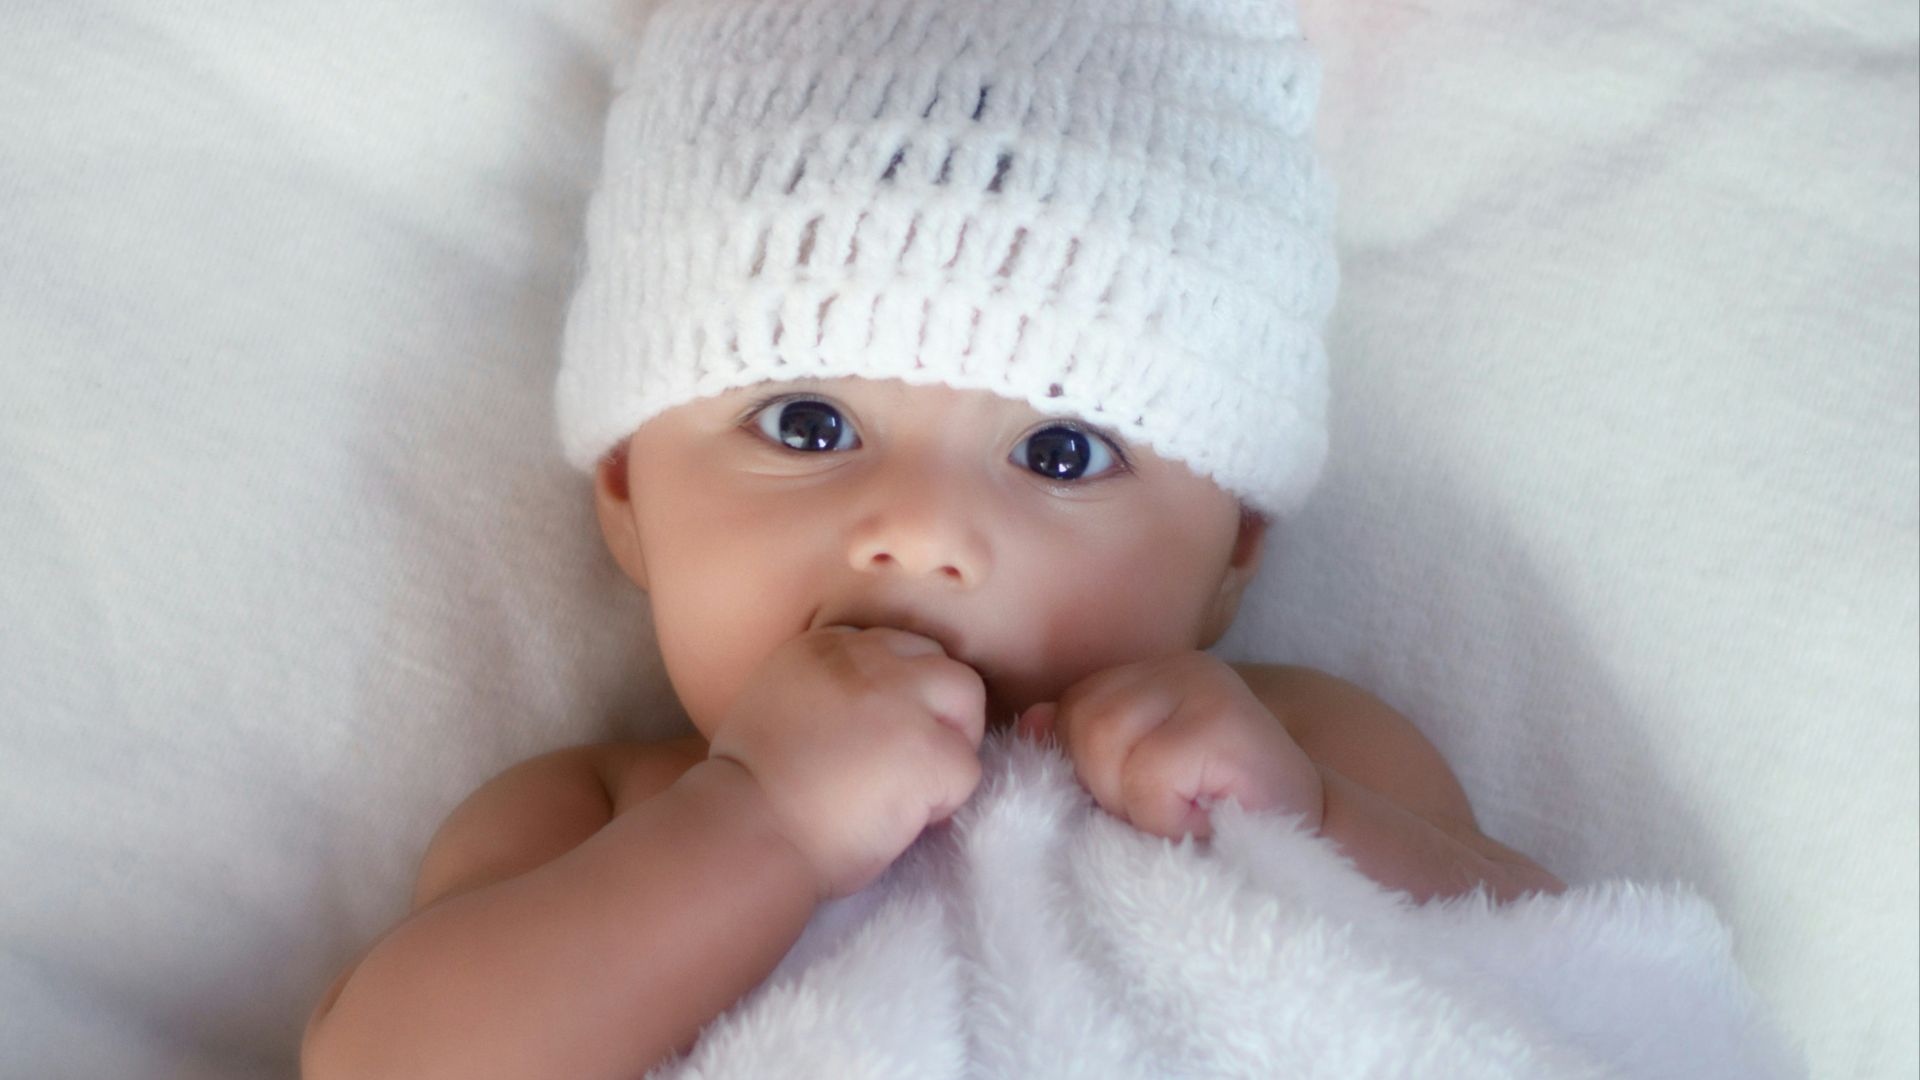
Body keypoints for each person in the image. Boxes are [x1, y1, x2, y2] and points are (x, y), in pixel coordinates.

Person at [301, 0, 1563, 1076]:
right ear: (629, 494)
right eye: (805, 422)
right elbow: (383, 1059)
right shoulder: (605, 817)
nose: (918, 530)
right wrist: (762, 827)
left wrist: (1303, 823)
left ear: (1234, 553)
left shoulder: (1302, 750)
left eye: (1061, 453)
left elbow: (1564, 996)